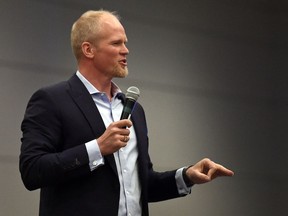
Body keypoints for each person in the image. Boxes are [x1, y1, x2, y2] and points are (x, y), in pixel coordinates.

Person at [19, 10, 234, 216]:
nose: (126, 50)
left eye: (125, 43)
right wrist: (98, 148)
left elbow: (142, 184)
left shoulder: (134, 110)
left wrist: (186, 176)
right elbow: (32, 170)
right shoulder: (52, 100)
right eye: (116, 43)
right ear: (88, 50)